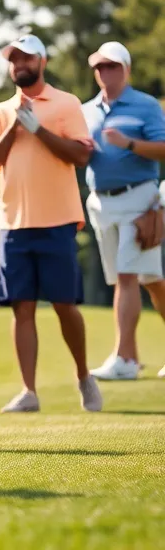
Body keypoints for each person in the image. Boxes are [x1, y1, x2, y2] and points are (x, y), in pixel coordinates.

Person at [0, 34, 103, 413]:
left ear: (42, 62)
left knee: (65, 304)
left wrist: (37, 129)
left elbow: (80, 156)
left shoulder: (65, 103)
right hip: (13, 222)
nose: (19, 65)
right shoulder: (2, 110)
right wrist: (15, 129)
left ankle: (84, 375)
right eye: (14, 59)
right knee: (23, 307)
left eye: (26, 59)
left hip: (58, 219)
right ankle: (29, 392)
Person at [80, 41, 165, 380]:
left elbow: (162, 148)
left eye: (112, 66)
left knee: (127, 278)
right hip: (100, 201)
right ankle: (127, 356)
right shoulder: (86, 110)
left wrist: (128, 143)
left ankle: (125, 360)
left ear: (126, 69)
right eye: (99, 67)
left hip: (138, 199)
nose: (105, 72)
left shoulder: (145, 105)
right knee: (150, 281)